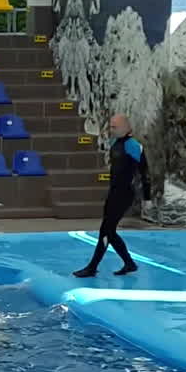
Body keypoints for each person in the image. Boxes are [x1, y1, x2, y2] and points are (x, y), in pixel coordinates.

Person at [72, 113, 151, 278]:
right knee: (110, 231)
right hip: (113, 192)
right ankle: (129, 263)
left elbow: (145, 173)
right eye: (111, 126)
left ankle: (92, 267)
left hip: (125, 194)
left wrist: (147, 198)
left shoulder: (133, 145)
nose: (112, 129)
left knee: (106, 230)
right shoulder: (116, 142)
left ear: (125, 127)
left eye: (115, 127)